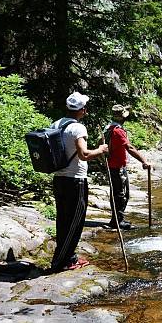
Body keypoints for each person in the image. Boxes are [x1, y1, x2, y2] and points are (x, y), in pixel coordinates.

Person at [50, 91, 108, 272]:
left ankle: (69, 256)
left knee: (63, 219)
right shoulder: (78, 128)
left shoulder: (56, 124)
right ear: (82, 110)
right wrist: (101, 149)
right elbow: (84, 154)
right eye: (85, 108)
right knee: (75, 221)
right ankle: (62, 261)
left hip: (59, 178)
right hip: (75, 180)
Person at [102, 104, 152, 230]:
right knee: (121, 194)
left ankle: (117, 219)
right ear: (122, 117)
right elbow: (129, 148)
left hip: (111, 165)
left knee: (117, 193)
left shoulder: (108, 127)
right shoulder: (118, 131)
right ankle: (118, 221)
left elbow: (100, 143)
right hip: (117, 166)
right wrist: (143, 161)